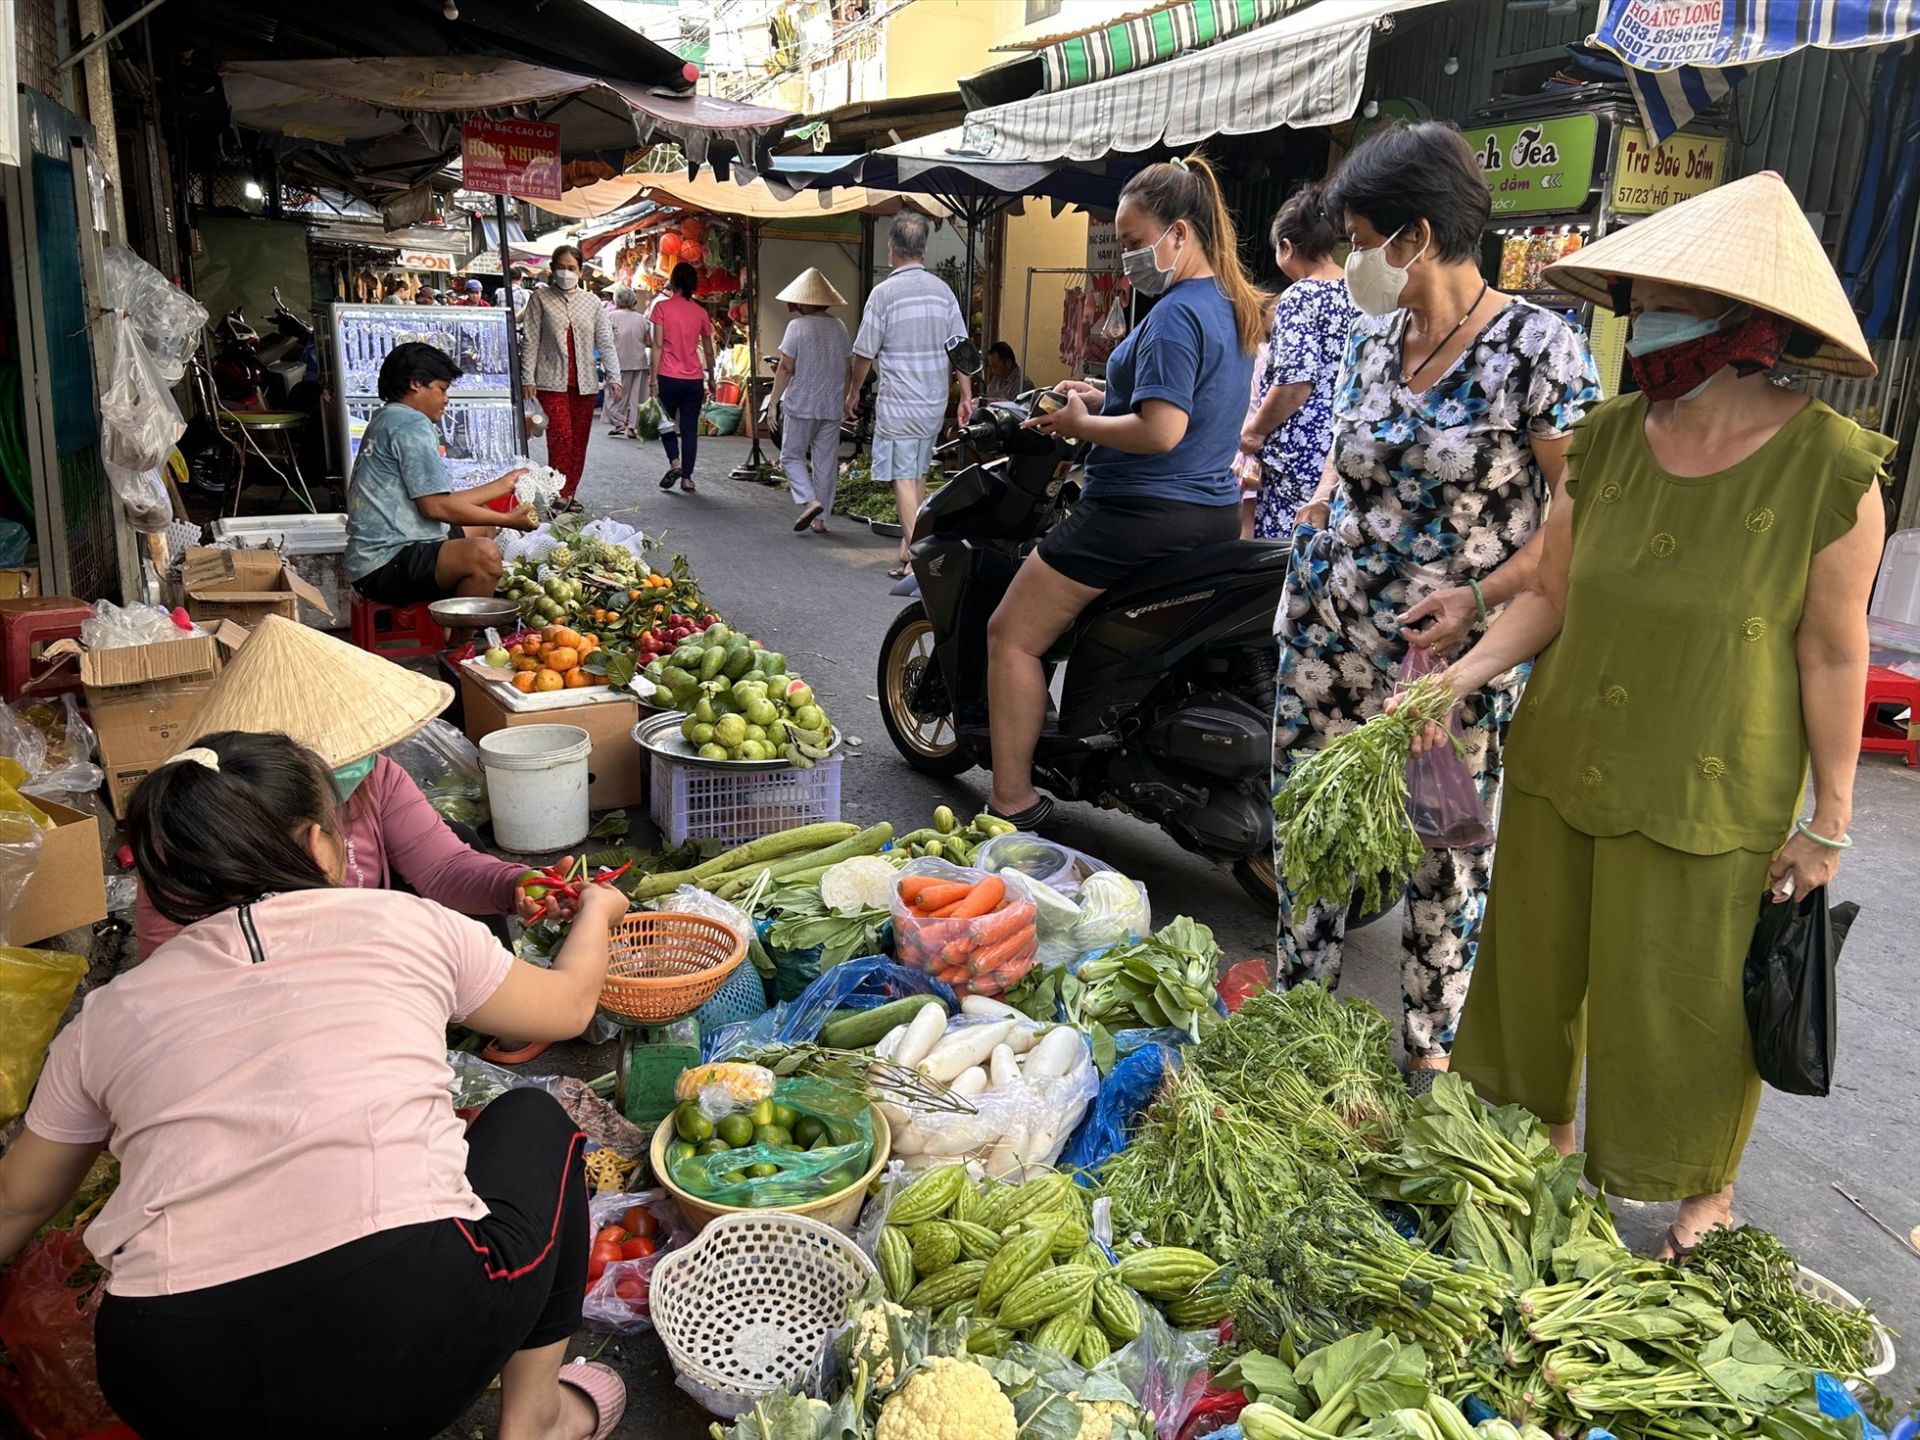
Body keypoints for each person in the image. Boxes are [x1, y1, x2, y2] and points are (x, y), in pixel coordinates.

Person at [1396, 172, 1887, 1256]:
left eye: (1663, 303)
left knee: (1684, 995)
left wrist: (1831, 821)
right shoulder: (1608, 439)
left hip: (1713, 778)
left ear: (1744, 325)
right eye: (1636, 301)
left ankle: (1702, 1191)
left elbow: (1831, 653)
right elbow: (1554, 595)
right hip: (1569, 754)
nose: (1640, 325)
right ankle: (1546, 1144)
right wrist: (1460, 675)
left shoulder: (1833, 472)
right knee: (1534, 974)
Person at [0, 731, 632, 1440]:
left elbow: (17, 1203)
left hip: (165, 1376)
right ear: (318, 844)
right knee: (534, 1119)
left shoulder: (106, 1015)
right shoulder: (403, 923)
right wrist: (597, 913)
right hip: (404, 1337)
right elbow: (568, 1006)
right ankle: (537, 1419)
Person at [1271, 122, 1598, 1079]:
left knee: (1441, 859)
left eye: (1364, 239)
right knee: (1311, 834)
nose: (1356, 260)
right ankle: (1295, 1038)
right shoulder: (1372, 339)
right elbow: (1347, 455)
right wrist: (1318, 505)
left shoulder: (1540, 350)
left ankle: (1428, 1060)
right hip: (1326, 638)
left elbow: (1577, 519)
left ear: (1416, 236)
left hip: (1447, 662)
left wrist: (1483, 596)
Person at [997, 154, 1267, 829]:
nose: (1126, 258)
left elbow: (1162, 429)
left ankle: (1011, 798)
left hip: (1135, 514)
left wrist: (1079, 425)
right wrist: (1101, 395)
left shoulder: (1175, 314)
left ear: (1180, 233)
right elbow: (1185, 403)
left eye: (1132, 240)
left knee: (1011, 636)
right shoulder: (1230, 305)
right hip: (1209, 513)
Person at [137, 615, 550, 964]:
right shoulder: (193, 829)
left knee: (460, 837)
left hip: (361, 959)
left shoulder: (375, 777)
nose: (362, 760)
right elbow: (169, 969)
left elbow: (443, 867)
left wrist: (517, 883)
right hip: (262, 994)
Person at [346, 342, 537, 606]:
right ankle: (461, 631)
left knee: (482, 524)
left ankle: (456, 613)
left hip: (380, 554)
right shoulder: (411, 424)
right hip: (385, 562)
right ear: (416, 384)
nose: (446, 399)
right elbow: (435, 507)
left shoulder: (387, 417)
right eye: (442, 389)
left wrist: (504, 484)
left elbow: (439, 500)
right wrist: (508, 519)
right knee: (484, 555)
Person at [848, 212, 974, 578]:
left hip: (900, 402)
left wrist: (853, 391)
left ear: (891, 248)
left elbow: (864, 353)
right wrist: (966, 396)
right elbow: (961, 348)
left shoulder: (883, 294)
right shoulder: (942, 292)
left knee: (904, 476)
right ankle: (909, 548)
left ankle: (920, 561)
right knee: (917, 473)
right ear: (924, 249)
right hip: (933, 402)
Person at [1239, 182, 1359, 539]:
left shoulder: (1300, 296)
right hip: (1342, 448)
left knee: (1285, 551)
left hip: (1299, 456)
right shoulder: (1358, 291)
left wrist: (1254, 431)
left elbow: (1295, 383)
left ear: (1286, 247)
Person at [521, 244, 621, 513]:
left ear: (580, 271)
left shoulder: (592, 302)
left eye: (571, 268)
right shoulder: (540, 298)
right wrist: (527, 377)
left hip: (585, 383)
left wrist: (615, 377)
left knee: (579, 440)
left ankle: (570, 491)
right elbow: (530, 340)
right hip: (550, 381)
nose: (566, 272)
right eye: (561, 267)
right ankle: (559, 492)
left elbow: (605, 341)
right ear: (552, 269)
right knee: (561, 437)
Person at [767, 267, 853, 535]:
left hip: (801, 405)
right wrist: (846, 398)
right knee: (825, 464)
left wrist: (773, 402)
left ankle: (810, 501)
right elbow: (847, 368)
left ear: (804, 301)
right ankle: (820, 520)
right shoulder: (839, 327)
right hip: (831, 407)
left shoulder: (797, 327)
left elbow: (785, 368)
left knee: (791, 456)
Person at [649, 261, 716, 494]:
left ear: (673, 282)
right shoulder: (701, 312)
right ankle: (687, 478)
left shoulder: (661, 308)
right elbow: (709, 350)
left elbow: (657, 345)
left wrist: (653, 379)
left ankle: (675, 462)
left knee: (665, 422)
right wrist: (712, 377)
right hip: (694, 379)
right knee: (689, 429)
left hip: (668, 376)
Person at [603, 286, 651, 437]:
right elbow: (648, 341)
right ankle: (632, 427)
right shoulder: (641, 318)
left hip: (619, 362)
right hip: (639, 361)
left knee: (615, 396)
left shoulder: (611, 316)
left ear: (617, 300)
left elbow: (605, 339)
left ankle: (620, 421)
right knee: (637, 396)